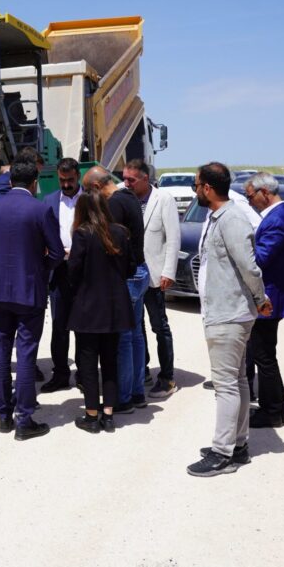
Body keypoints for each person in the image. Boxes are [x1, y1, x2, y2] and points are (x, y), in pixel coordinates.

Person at [186, 162, 270, 477]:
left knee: (225, 385)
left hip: (228, 313)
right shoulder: (219, 216)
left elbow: (249, 267)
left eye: (197, 185)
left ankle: (223, 452)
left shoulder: (232, 219)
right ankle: (238, 444)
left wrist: (260, 299)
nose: (196, 191)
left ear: (207, 187)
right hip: (224, 311)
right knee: (236, 381)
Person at [0, 160, 64, 440]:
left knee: (1, 354)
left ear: (10, 181)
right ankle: (24, 418)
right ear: (34, 181)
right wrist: (39, 268)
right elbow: (58, 253)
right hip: (29, 292)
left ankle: (4, 415)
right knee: (25, 354)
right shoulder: (41, 209)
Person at [82, 165, 147, 413]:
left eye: (89, 192)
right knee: (136, 334)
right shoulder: (128, 195)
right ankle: (137, 391)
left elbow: (110, 242)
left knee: (123, 338)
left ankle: (124, 396)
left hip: (128, 276)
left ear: (97, 188)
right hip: (140, 271)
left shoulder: (115, 204)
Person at [244, 172, 284, 428]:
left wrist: (242, 246)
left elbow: (260, 259)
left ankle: (272, 411)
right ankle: (276, 407)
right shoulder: (281, 215)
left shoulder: (277, 219)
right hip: (271, 295)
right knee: (265, 354)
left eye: (251, 197)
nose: (249, 202)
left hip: (269, 297)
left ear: (264, 193)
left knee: (264, 355)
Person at [67, 192, 133, 433]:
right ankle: (108, 415)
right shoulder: (121, 233)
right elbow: (130, 267)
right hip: (115, 306)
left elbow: (73, 270)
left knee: (87, 362)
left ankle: (91, 415)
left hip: (88, 306)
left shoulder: (83, 233)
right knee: (110, 361)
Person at [122, 159, 181, 399]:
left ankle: (167, 377)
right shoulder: (123, 196)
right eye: (124, 178)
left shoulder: (163, 200)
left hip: (155, 275)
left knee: (160, 326)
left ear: (145, 179)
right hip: (133, 274)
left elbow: (173, 238)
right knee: (137, 327)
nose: (126, 183)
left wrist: (169, 272)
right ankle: (142, 369)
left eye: (131, 180)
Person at [42, 157, 82, 392]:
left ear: (77, 176)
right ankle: (60, 374)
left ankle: (84, 375)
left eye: (70, 180)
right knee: (59, 326)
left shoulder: (89, 200)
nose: (66, 184)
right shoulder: (49, 201)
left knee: (84, 326)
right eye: (62, 180)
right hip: (58, 271)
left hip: (83, 270)